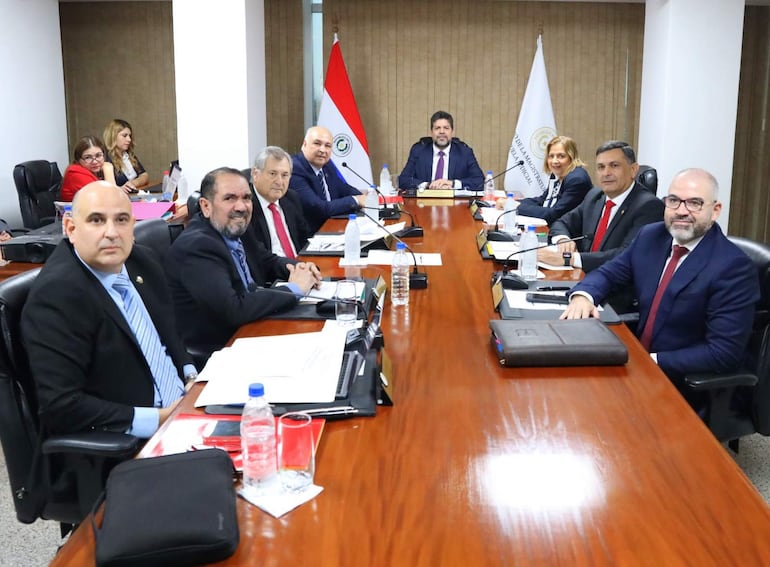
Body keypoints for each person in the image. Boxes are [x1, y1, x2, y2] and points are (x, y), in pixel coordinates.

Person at [21, 182, 195, 438]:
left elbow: (170, 336)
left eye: (121, 220)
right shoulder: (57, 296)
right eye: (96, 220)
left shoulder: (142, 261)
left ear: (133, 226)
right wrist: (160, 420)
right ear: (70, 228)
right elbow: (61, 406)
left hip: (183, 411)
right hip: (124, 447)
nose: (111, 232)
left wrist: (190, 375)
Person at [561, 168, 759, 392]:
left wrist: (650, 361)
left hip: (681, 383)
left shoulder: (733, 267)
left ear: (715, 211)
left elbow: (723, 353)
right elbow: (609, 273)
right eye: (673, 200)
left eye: (694, 203)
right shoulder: (651, 236)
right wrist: (583, 296)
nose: (681, 211)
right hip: (635, 365)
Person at [166, 167, 322, 359]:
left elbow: (265, 260)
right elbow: (233, 309)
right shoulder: (197, 246)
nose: (241, 207)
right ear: (206, 206)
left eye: (246, 198)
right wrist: (295, 289)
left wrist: (298, 267)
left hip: (252, 327)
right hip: (222, 347)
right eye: (229, 198)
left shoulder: (235, 226)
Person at [540, 140, 664, 272]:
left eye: (614, 165)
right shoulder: (595, 196)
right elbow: (562, 223)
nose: (606, 173)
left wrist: (569, 258)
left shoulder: (649, 206)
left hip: (616, 286)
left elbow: (627, 255)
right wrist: (563, 240)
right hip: (581, 277)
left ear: (633, 170)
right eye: (601, 167)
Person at [290, 126, 366, 233]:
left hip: (333, 228)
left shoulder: (326, 165)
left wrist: (364, 198)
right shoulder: (295, 169)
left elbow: (345, 189)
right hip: (311, 236)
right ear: (304, 144)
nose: (322, 150)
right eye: (317, 143)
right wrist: (356, 200)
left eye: (328, 146)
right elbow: (319, 208)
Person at [514, 135, 592, 225]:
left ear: (571, 157)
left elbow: (555, 214)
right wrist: (513, 202)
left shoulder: (577, 180)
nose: (554, 161)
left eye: (561, 156)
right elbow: (543, 200)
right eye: (551, 156)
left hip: (568, 234)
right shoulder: (558, 174)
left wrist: (516, 207)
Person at [398, 110, 484, 191]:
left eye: (446, 128)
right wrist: (427, 185)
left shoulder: (464, 152)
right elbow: (403, 180)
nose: (442, 132)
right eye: (437, 128)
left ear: (452, 132)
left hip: (455, 203)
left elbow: (479, 181)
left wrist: (452, 183)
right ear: (431, 132)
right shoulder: (419, 151)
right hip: (424, 202)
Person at [250, 146, 311, 257]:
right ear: (255, 174)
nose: (279, 182)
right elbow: (258, 257)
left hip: (300, 266)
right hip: (271, 271)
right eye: (273, 174)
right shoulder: (246, 206)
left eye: (284, 175)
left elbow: (305, 238)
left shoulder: (291, 198)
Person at [60, 136, 116, 201]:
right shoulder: (75, 173)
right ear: (78, 160)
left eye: (98, 155)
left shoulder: (94, 171)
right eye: (88, 157)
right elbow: (112, 200)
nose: (94, 161)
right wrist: (108, 170)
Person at [103, 118, 149, 192]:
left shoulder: (129, 155)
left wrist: (133, 183)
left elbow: (144, 175)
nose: (129, 139)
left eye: (129, 136)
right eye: (124, 136)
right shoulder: (106, 159)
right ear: (113, 136)